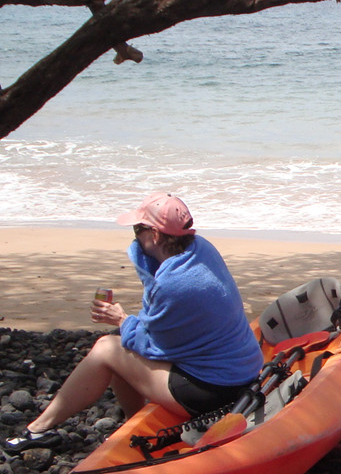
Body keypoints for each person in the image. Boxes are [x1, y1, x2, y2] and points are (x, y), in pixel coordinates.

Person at [4, 193, 264, 453]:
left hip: (216, 392)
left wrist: (121, 319)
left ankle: (38, 429)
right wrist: (130, 323)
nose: (134, 236)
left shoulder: (172, 285)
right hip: (246, 370)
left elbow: (153, 347)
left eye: (138, 230)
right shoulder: (201, 248)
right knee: (124, 345)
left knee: (108, 348)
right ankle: (134, 424)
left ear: (155, 235)